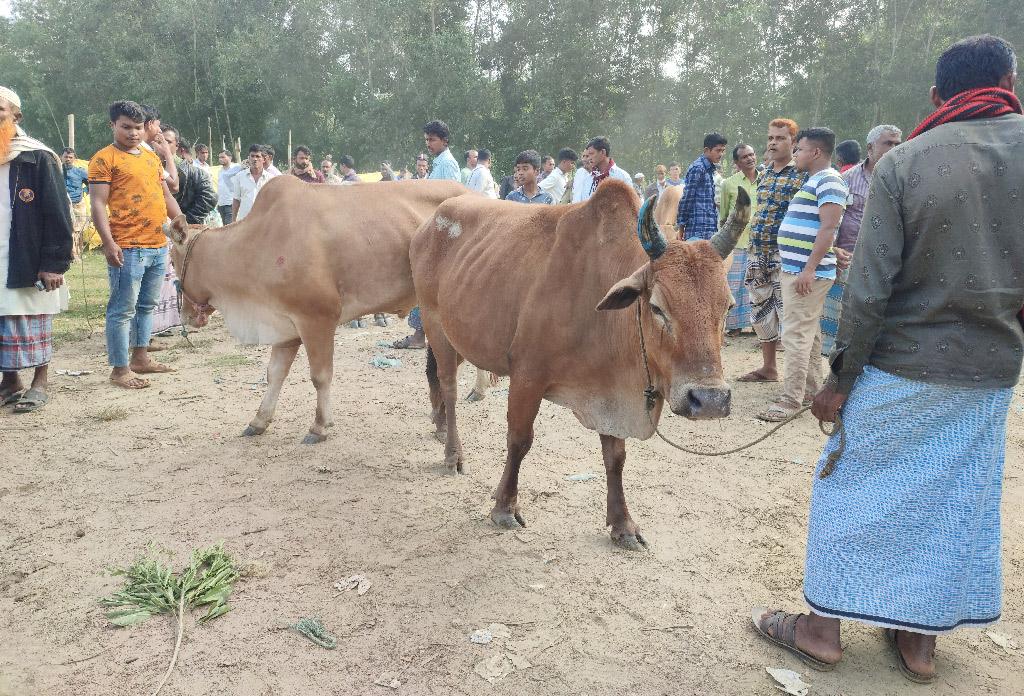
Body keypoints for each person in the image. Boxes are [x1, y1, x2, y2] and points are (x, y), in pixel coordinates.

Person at [754, 34, 1024, 685]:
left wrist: (839, 381)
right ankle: (918, 640)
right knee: (952, 494)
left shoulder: (906, 163)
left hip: (901, 365)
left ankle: (821, 629)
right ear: (1011, 82)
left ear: (936, 97)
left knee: (846, 485)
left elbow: (870, 288)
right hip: (988, 371)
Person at [88, 100, 183, 389]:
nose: (132, 133)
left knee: (146, 306)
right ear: (113, 126)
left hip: (157, 244)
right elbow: (97, 203)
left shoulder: (151, 157)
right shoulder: (104, 160)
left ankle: (140, 357)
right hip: (127, 246)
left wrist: (180, 221)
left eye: (138, 128)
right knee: (122, 309)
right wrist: (108, 242)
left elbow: (166, 195)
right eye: (125, 127)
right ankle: (120, 369)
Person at [757, 127, 847, 421]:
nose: (795, 154)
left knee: (795, 334)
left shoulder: (830, 181)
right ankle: (809, 390)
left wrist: (809, 269)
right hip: (798, 269)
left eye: (800, 149)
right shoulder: (816, 180)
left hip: (805, 273)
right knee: (808, 332)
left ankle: (790, 400)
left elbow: (829, 227)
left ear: (816, 152)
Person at [0, 86, 74, 413]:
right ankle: (10, 382)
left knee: (34, 317)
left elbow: (57, 212)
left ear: (17, 117)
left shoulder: (37, 157)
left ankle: (40, 382)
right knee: (3, 320)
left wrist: (54, 263)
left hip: (31, 256)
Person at [820, 124, 902, 356]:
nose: (894, 148)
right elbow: (833, 220)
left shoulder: (904, 179)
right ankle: (834, 375)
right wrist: (832, 250)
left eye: (897, 144)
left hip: (886, 264)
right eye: (888, 143)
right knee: (838, 321)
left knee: (876, 322)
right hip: (848, 260)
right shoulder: (846, 179)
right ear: (870, 147)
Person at [738, 118, 808, 383]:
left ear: (793, 141)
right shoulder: (765, 173)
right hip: (758, 252)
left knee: (788, 313)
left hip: (786, 256)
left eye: (780, 138)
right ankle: (769, 368)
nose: (773, 143)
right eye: (770, 138)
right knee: (761, 310)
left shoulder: (803, 173)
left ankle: (795, 378)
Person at [155, 125, 217, 335]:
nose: (161, 145)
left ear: (177, 146)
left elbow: (210, 196)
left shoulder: (191, 171)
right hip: (156, 228)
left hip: (180, 230)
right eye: (157, 140)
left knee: (180, 275)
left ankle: (178, 318)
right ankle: (158, 324)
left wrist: (186, 221)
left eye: (167, 142)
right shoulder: (149, 165)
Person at [719, 143, 757, 334]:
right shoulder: (728, 184)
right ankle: (734, 326)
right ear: (737, 162)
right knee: (735, 285)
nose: (750, 158)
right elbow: (724, 216)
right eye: (744, 157)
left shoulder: (766, 180)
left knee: (758, 284)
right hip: (737, 242)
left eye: (751, 154)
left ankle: (759, 326)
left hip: (760, 243)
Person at [677, 132, 727, 240]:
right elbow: (687, 198)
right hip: (697, 230)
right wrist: (681, 227)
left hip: (709, 230)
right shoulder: (698, 168)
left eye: (723, 150)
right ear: (706, 150)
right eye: (718, 150)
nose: (721, 154)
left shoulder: (709, 169)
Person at [232, 144, 278, 222]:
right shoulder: (239, 177)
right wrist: (233, 221)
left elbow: (274, 202)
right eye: (252, 156)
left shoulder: (271, 178)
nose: (255, 159)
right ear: (248, 158)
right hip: (244, 221)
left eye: (258, 156)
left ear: (264, 159)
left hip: (263, 222)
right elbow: (236, 200)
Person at [579, 136, 631, 201]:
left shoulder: (622, 177)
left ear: (603, 152)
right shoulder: (588, 179)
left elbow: (629, 206)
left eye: (591, 153)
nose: (589, 158)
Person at [61, 147, 89, 259]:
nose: (68, 159)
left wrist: (84, 192)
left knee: (78, 229)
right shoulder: (57, 171)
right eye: (66, 157)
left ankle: (77, 253)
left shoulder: (80, 172)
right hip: (63, 204)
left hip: (78, 204)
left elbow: (91, 183)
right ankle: (70, 254)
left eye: (70, 157)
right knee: (67, 229)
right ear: (61, 157)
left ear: (74, 159)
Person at [216, 150, 242, 224]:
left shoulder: (237, 168)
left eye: (223, 157)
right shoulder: (220, 171)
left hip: (231, 203)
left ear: (230, 157)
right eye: (219, 157)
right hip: (221, 204)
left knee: (229, 227)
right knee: (224, 227)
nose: (220, 159)